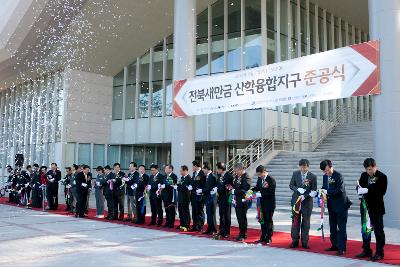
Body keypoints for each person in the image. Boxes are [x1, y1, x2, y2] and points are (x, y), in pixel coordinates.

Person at [355, 158, 387, 261]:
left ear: (375, 167)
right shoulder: (364, 175)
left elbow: (382, 191)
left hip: (376, 208)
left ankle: (379, 252)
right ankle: (366, 250)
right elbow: (359, 186)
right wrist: (359, 190)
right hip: (365, 208)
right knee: (365, 230)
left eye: (370, 169)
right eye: (367, 169)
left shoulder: (382, 177)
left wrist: (368, 190)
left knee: (378, 231)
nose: (369, 171)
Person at [320, 160, 352, 256]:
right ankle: (335, 245)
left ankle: (342, 248)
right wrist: (321, 193)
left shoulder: (338, 176)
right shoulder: (325, 177)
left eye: (328, 170)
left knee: (341, 227)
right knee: (332, 227)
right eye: (324, 171)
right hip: (331, 205)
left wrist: (327, 192)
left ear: (331, 166)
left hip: (341, 205)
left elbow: (340, 190)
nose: (327, 173)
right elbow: (324, 187)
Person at [289, 159, 318, 249]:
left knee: (306, 222)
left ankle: (305, 241)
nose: (302, 169)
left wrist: (305, 196)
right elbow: (291, 185)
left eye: (304, 167)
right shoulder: (295, 173)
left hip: (307, 202)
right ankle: (295, 241)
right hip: (296, 201)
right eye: (301, 166)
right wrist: (297, 189)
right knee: (295, 221)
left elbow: (314, 190)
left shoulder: (312, 176)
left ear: (308, 167)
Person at [252, 165, 276, 244]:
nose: (259, 176)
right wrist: (251, 191)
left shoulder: (271, 180)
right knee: (262, 221)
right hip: (262, 204)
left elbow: (270, 193)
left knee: (268, 221)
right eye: (258, 174)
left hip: (269, 204)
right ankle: (262, 237)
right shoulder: (259, 179)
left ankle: (268, 237)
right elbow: (257, 187)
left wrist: (261, 194)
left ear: (264, 172)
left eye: (259, 174)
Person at [231, 162, 251, 241]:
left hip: (243, 201)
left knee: (242, 217)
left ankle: (243, 234)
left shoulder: (246, 177)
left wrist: (234, 191)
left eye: (236, 170)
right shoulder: (237, 176)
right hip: (237, 200)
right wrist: (231, 188)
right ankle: (241, 232)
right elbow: (235, 185)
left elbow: (244, 190)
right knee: (239, 217)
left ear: (241, 169)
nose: (235, 172)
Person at [215, 162, 234, 238]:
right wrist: (217, 188)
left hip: (226, 198)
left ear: (221, 169)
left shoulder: (229, 176)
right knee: (221, 215)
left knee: (226, 215)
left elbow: (228, 187)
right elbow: (218, 184)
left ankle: (226, 231)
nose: (217, 170)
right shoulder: (219, 175)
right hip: (221, 198)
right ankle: (221, 230)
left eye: (218, 169)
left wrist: (218, 189)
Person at [201, 162, 217, 235]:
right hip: (207, 198)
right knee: (208, 213)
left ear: (207, 169)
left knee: (212, 214)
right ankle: (209, 228)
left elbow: (209, 188)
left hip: (212, 198)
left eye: (204, 169)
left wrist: (202, 190)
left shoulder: (212, 176)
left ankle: (213, 229)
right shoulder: (207, 176)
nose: (203, 170)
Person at [189, 160, 206, 232]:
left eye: (193, 166)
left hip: (199, 195)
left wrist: (201, 190)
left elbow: (204, 184)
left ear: (196, 166)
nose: (192, 167)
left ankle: (200, 226)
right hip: (193, 195)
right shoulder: (194, 173)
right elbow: (193, 182)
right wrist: (191, 186)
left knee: (200, 211)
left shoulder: (202, 174)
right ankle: (195, 225)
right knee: (194, 211)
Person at [177, 165, 191, 230]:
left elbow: (184, 187)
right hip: (180, 197)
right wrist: (177, 186)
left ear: (185, 170)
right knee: (180, 211)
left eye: (181, 170)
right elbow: (180, 185)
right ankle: (182, 224)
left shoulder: (189, 178)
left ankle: (186, 224)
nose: (180, 171)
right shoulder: (182, 178)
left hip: (185, 197)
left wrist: (178, 187)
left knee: (185, 211)